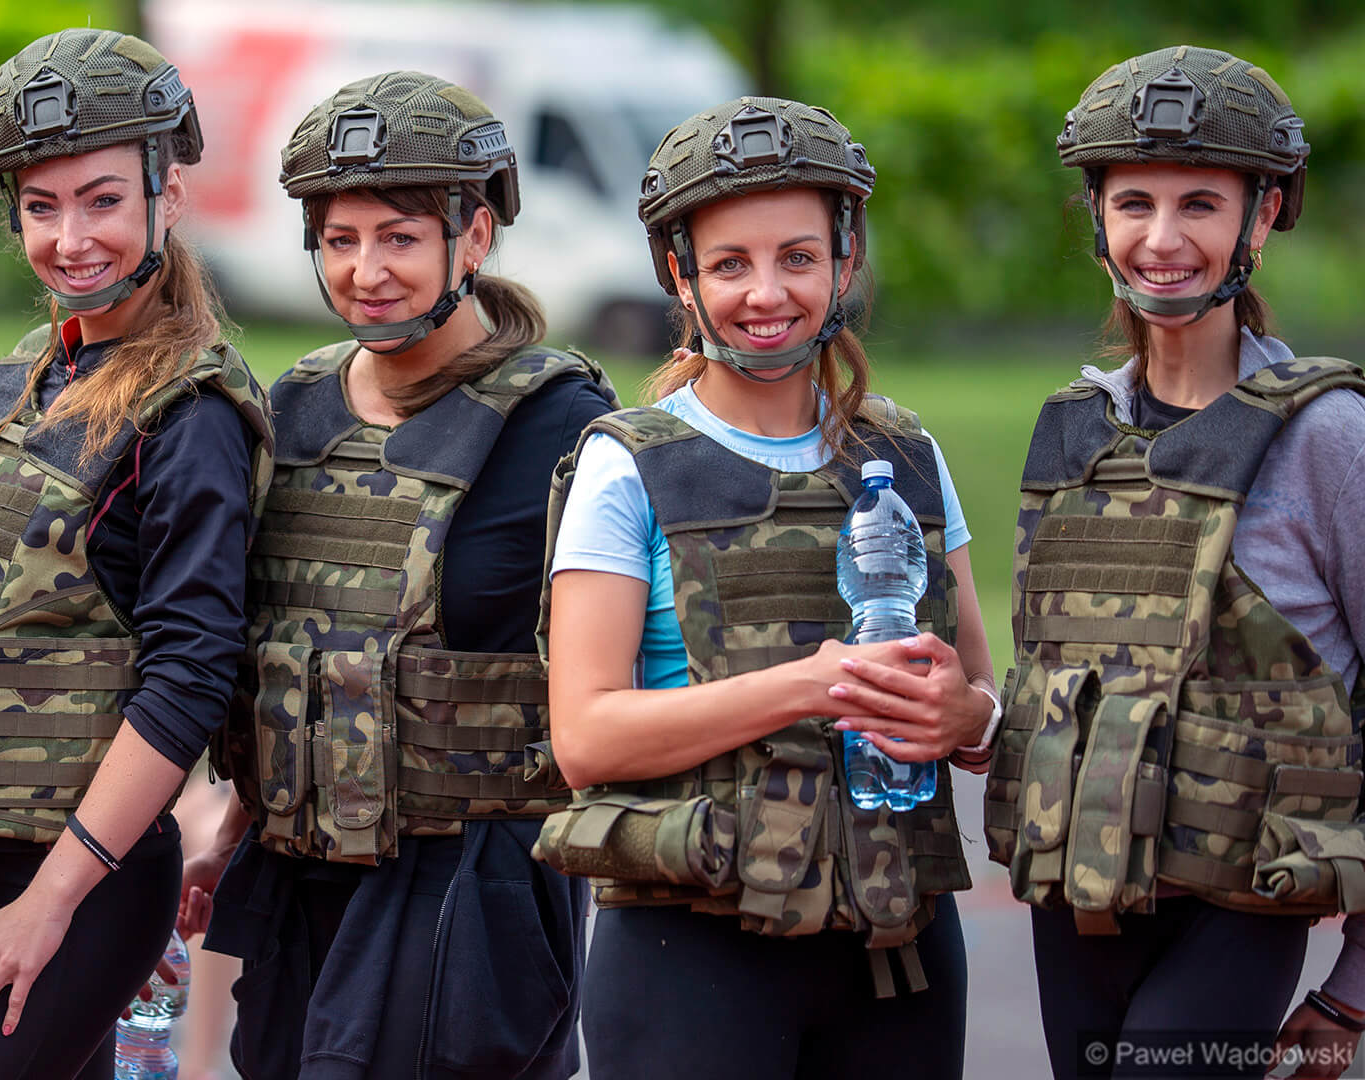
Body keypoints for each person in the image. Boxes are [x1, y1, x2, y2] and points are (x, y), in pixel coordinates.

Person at [536, 97, 997, 1079]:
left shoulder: (906, 456)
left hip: (897, 947)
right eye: (731, 263)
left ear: (842, 259)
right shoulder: (628, 465)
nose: (767, 292)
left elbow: (980, 712)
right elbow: (584, 738)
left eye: (797, 257)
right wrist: (810, 686)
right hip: (687, 952)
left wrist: (964, 715)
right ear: (681, 275)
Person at [183, 70, 617, 1080]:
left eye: (400, 237)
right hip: (300, 879)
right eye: (340, 240)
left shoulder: (564, 424)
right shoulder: (289, 410)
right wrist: (230, 828)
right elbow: (303, 661)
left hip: (472, 893)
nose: (366, 271)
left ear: (475, 236)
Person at [0, 28, 272, 1080]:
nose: (69, 237)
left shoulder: (193, 413)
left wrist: (52, 900)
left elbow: (189, 674)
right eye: (41, 208)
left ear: (165, 198)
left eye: (100, 200)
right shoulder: (32, 372)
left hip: (79, 883)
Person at [980, 45, 1365, 1080]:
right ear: (1096, 216)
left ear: (1266, 212)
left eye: (1201, 203)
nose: (1162, 240)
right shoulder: (1071, 429)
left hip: (1240, 907)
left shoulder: (1328, 436)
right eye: (1134, 202)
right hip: (1077, 900)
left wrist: (1355, 990)